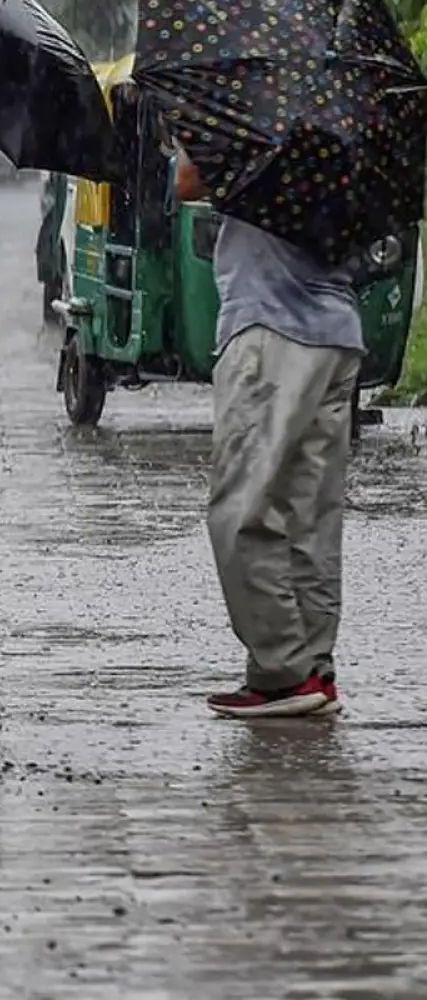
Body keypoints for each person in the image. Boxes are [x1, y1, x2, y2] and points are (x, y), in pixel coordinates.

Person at [180, 149, 361, 718]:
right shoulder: (339, 121)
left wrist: (183, 136)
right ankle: (313, 669)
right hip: (336, 332)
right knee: (308, 514)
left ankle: (283, 670)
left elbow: (188, 180)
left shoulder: (248, 111)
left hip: (270, 331)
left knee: (241, 510)